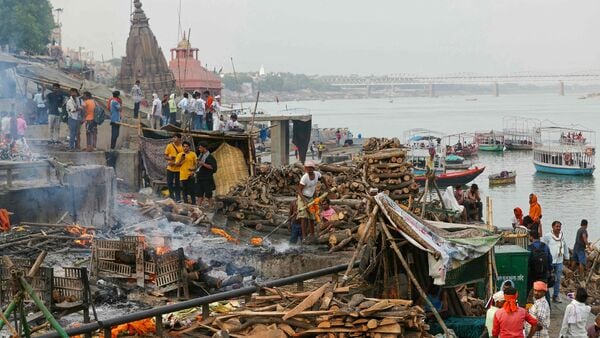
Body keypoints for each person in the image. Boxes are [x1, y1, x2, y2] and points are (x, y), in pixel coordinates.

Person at [297, 160, 329, 242]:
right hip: (302, 197)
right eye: (308, 168)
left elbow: (323, 178)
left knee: (312, 217)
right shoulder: (304, 178)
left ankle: (312, 235)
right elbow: (299, 190)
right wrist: (304, 201)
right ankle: (304, 237)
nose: (310, 169)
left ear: (313, 168)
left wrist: (327, 187)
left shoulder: (317, 174)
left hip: (311, 197)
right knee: (303, 217)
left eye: (311, 168)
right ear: (305, 169)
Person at [542, 220, 569, 303]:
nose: (558, 228)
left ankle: (555, 295)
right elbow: (543, 246)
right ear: (552, 227)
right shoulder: (547, 236)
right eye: (556, 226)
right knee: (547, 278)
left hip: (559, 261)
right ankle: (544, 295)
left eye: (559, 227)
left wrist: (566, 256)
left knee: (557, 279)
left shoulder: (562, 236)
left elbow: (565, 246)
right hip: (550, 261)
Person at [527, 230, 552, 302]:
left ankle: (525, 306)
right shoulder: (545, 246)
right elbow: (550, 259)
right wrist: (550, 270)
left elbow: (528, 261)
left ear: (531, 237)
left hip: (532, 274)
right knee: (545, 290)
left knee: (528, 290)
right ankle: (548, 307)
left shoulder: (530, 247)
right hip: (543, 273)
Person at [195, 142, 217, 208]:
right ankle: (197, 208)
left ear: (204, 148)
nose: (199, 149)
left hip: (207, 179)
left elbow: (212, 167)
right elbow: (199, 166)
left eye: (200, 147)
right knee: (199, 194)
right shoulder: (201, 155)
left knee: (208, 194)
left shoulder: (210, 157)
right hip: (200, 178)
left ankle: (211, 207)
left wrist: (203, 164)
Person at [164, 133, 183, 202]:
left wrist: (178, 161)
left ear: (179, 139)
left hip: (178, 169)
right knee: (169, 183)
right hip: (170, 168)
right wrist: (170, 158)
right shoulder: (169, 146)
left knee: (177, 184)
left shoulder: (182, 147)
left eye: (175, 137)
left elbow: (184, 157)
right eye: (173, 137)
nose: (173, 139)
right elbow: (165, 156)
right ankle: (171, 197)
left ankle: (178, 198)